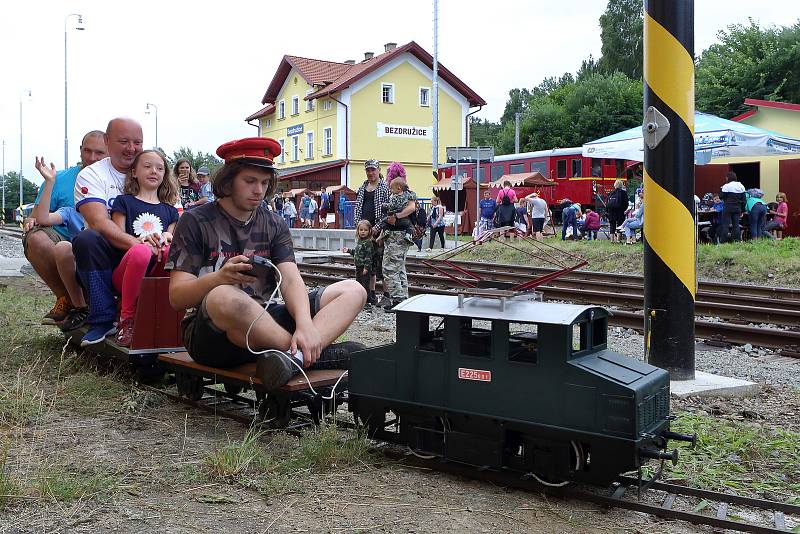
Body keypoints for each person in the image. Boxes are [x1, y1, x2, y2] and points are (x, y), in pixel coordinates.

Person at [166, 137, 365, 390]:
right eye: (249, 181)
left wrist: (305, 325)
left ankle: (295, 356)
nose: (258, 190)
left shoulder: (273, 223)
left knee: (353, 290)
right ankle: (309, 356)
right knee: (223, 296)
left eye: (264, 182)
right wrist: (219, 279)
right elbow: (177, 297)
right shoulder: (195, 221)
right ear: (228, 181)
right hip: (212, 334)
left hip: (264, 324)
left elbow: (291, 280)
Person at [72, 117, 145, 346]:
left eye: (137, 142)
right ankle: (102, 319)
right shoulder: (91, 175)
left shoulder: (152, 169)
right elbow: (97, 222)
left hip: (151, 249)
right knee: (87, 239)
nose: (131, 149)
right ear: (107, 141)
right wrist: (136, 244)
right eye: (123, 141)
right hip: (109, 254)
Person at [23, 130, 107, 325]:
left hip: (100, 243)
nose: (92, 158)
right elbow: (38, 216)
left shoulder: (116, 179)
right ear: (80, 151)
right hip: (65, 240)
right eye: (87, 151)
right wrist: (32, 219)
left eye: (99, 153)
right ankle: (67, 298)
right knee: (38, 239)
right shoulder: (60, 181)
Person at [110, 150, 179, 346]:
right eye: (147, 166)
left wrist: (167, 236)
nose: (153, 171)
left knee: (168, 251)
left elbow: (173, 239)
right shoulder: (124, 202)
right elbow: (117, 237)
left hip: (156, 270)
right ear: (134, 172)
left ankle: (164, 314)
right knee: (141, 251)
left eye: (159, 168)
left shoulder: (170, 211)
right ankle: (127, 319)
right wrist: (141, 241)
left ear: (165, 175)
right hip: (125, 273)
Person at [31, 157, 89, 331]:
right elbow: (43, 218)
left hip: (102, 261)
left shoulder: (110, 210)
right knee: (63, 248)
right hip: (79, 264)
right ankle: (80, 307)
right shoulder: (71, 212)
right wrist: (50, 182)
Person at [354, 160, 391, 305]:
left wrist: (377, 227)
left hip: (379, 232)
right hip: (364, 232)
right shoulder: (363, 187)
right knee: (366, 265)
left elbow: (388, 211)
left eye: (373, 170)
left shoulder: (385, 187)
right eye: (368, 170)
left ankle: (387, 295)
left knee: (382, 264)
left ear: (379, 170)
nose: (370, 173)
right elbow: (358, 207)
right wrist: (359, 226)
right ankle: (371, 294)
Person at [380, 176, 416, 309]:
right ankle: (403, 299)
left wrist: (396, 216)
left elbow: (411, 208)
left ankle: (398, 300)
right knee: (399, 268)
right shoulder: (407, 195)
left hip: (397, 235)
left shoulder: (406, 197)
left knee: (389, 268)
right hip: (398, 234)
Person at [375, 177, 415, 245]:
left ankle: (386, 231)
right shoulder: (408, 194)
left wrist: (384, 205)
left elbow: (393, 205)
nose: (390, 190)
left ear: (399, 188)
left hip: (394, 215)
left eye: (391, 188)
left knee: (383, 221)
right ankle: (408, 236)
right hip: (405, 219)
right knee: (409, 226)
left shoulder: (395, 197)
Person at [351, 220, 375, 306]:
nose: (363, 232)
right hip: (358, 266)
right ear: (358, 231)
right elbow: (357, 253)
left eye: (365, 230)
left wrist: (366, 267)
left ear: (369, 231)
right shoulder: (359, 241)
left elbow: (368, 256)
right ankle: (360, 299)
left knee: (365, 284)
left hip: (364, 268)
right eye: (361, 230)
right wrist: (349, 251)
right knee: (358, 283)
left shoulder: (368, 242)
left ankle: (367, 300)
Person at [717, 171, 746, 243]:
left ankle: (723, 241)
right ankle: (737, 241)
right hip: (737, 208)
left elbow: (720, 196)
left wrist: (721, 188)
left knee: (725, 225)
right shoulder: (741, 186)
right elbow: (744, 200)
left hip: (728, 207)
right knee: (736, 225)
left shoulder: (726, 186)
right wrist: (742, 210)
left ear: (727, 178)